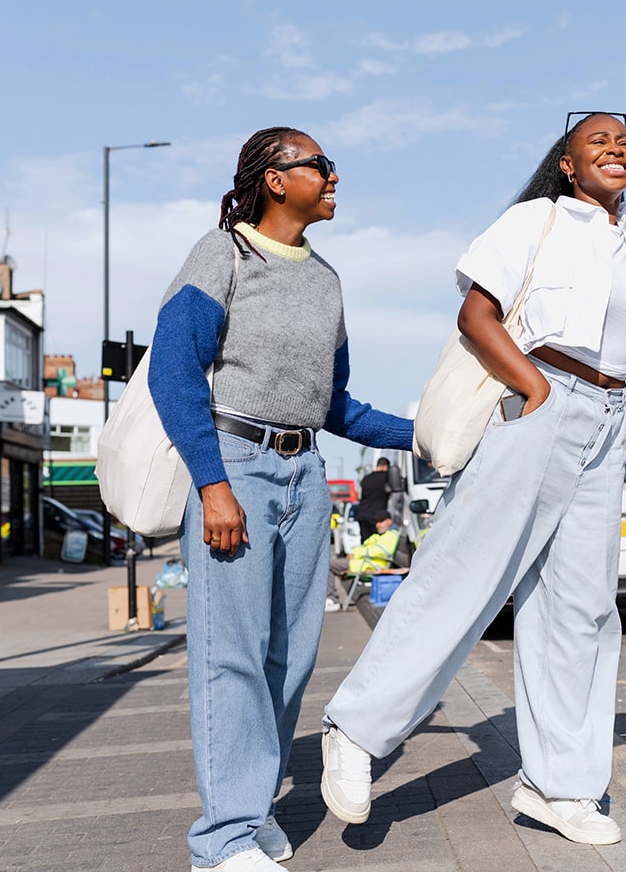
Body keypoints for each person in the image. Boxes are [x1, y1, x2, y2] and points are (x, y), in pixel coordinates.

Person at [318, 28, 626, 846]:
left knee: (581, 608)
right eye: (597, 141)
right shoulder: (535, 222)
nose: (616, 148)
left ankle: (559, 784)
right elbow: (475, 313)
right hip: (542, 402)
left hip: (608, 421)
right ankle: (358, 730)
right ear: (569, 164)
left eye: (624, 139)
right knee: (467, 577)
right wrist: (536, 386)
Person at [148, 127, 414, 872]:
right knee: (229, 653)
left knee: (289, 656)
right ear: (274, 178)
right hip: (232, 463)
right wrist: (213, 484)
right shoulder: (223, 254)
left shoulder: (325, 278)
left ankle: (252, 806)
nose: (333, 177)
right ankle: (223, 837)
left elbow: (337, 407)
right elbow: (173, 373)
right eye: (320, 166)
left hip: (304, 474)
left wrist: (427, 435)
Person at [356, 457, 392, 541]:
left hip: (363, 515)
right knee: (378, 542)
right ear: (385, 466)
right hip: (377, 517)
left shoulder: (365, 479)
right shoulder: (385, 477)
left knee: (366, 542)